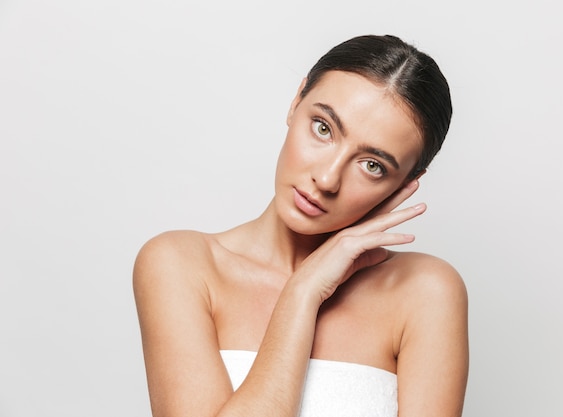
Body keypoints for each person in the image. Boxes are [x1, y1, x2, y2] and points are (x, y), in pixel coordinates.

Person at [133, 34, 468, 417]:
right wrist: (303, 292)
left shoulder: (425, 292)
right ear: (296, 102)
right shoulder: (181, 265)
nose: (327, 179)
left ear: (407, 182)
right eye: (323, 128)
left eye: (373, 165)